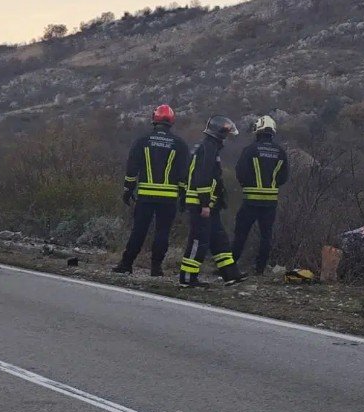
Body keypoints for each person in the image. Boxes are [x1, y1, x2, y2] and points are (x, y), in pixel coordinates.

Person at [113, 104, 191, 277]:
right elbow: (184, 173)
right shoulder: (180, 145)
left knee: (138, 231)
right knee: (163, 232)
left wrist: (128, 190)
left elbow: (132, 169)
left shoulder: (142, 141)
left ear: (154, 120)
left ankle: (126, 264)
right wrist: (184, 195)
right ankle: (156, 268)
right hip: (169, 198)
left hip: (145, 196)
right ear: (171, 121)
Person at [178, 116, 247, 287]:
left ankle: (231, 274)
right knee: (198, 241)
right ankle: (187, 278)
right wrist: (204, 204)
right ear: (219, 133)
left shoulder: (209, 147)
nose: (227, 138)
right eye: (226, 134)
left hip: (209, 205)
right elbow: (203, 178)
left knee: (219, 240)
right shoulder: (208, 149)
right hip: (201, 205)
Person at [231, 115, 289, 275]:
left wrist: (246, 185)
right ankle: (260, 269)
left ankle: (230, 265)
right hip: (270, 202)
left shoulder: (250, 150)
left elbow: (240, 172)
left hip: (250, 201)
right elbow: (284, 177)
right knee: (266, 236)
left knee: (241, 233)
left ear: (258, 130)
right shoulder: (280, 152)